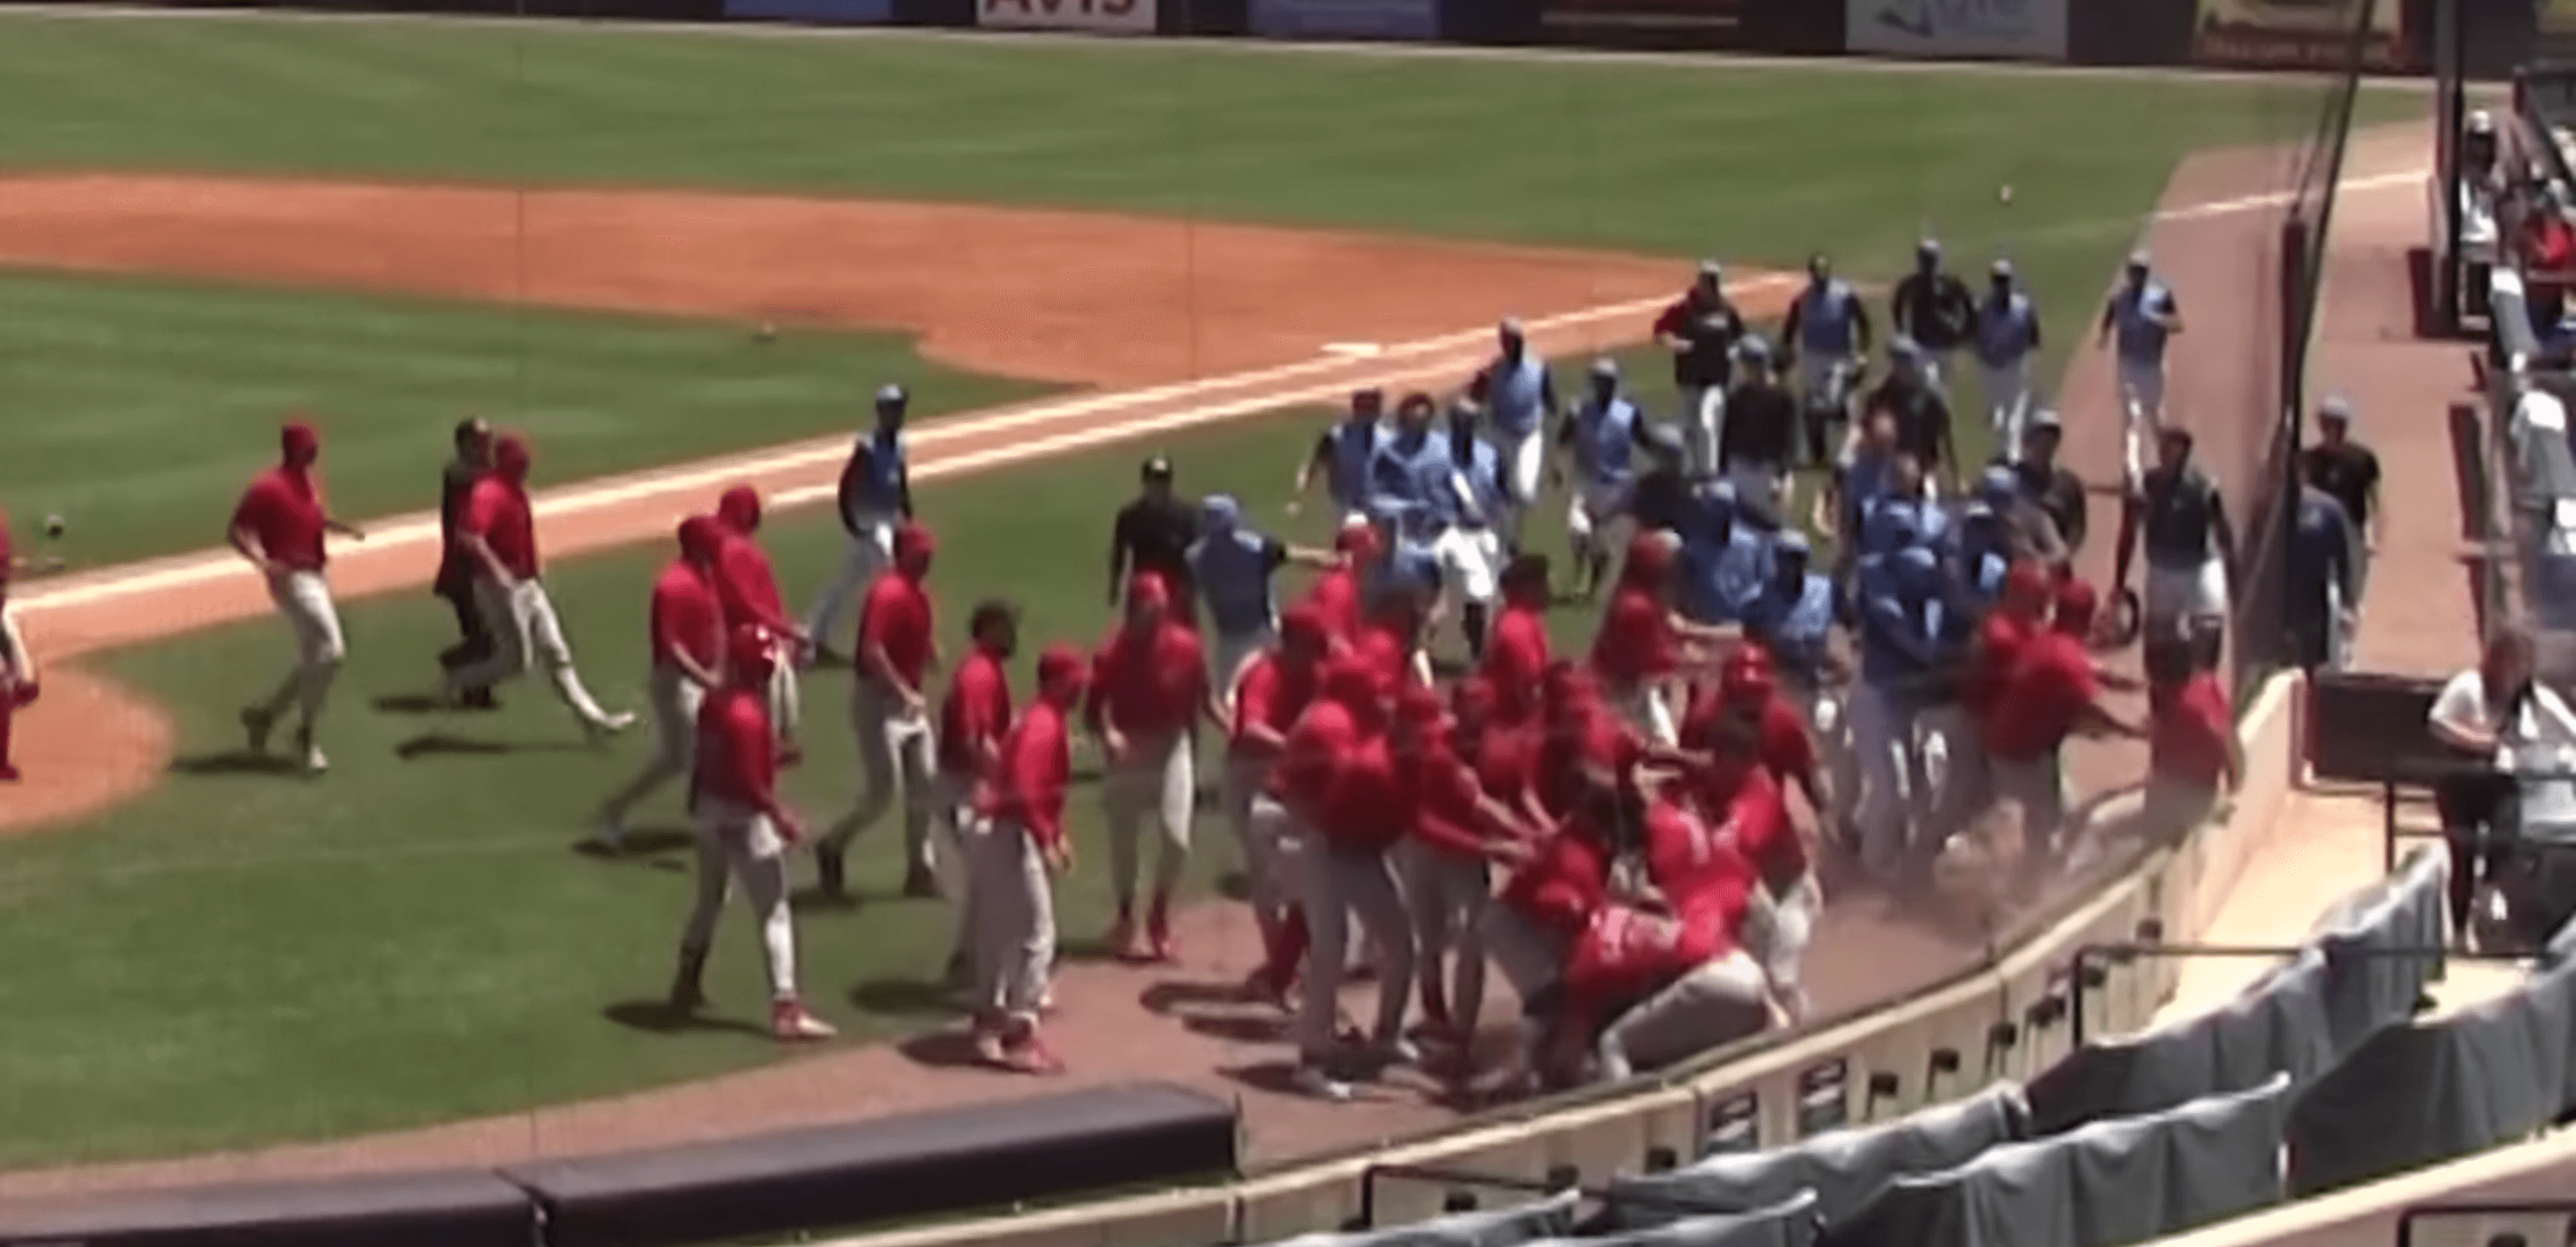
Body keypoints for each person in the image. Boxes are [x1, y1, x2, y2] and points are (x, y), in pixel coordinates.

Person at [669, 622, 836, 1044]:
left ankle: (686, 982)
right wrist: (781, 815)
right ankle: (786, 1008)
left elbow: (721, 761)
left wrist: (776, 758)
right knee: (774, 909)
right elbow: (749, 782)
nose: (766, 674)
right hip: (745, 818)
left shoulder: (714, 702)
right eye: (761, 666)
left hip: (708, 810)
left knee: (709, 899)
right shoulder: (749, 712)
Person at [1278, 657, 1419, 1101]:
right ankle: (1311, 1059)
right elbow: (1289, 789)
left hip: (1361, 848)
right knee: (1331, 949)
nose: (1383, 699)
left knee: (1400, 942)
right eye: (1373, 690)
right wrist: (1314, 830)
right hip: (1323, 848)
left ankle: (1386, 1035)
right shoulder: (1328, 726)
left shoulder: (1370, 726)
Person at [440, 434, 634, 741]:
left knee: (557, 651)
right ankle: (455, 681)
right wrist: (499, 573)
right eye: (521, 464)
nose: (526, 469)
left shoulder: (515, 489)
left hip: (527, 584)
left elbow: (518, 534)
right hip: (499, 589)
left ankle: (594, 719)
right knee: (516, 662)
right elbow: (470, 536)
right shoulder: (489, 492)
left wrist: (533, 564)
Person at [1394, 682, 1539, 1062]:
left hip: (1462, 857)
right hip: (1424, 847)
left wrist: (1534, 836)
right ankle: (1435, 1014)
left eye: (1482, 713)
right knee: (1424, 938)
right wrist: (1496, 846)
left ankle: (1460, 1033)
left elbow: (1503, 801)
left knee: (1471, 935)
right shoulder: (1435, 751)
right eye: (1467, 712)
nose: (1475, 722)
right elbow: (1426, 822)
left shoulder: (1499, 747)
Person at [967, 642, 1086, 1075]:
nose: (1080, 689)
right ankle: (1019, 1035)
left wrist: (1056, 833)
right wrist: (1045, 839)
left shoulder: (1041, 718)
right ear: (1056, 681)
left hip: (999, 828)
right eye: (1075, 681)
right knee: (1038, 934)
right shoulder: (1043, 723)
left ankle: (987, 1021)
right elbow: (1022, 784)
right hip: (1009, 831)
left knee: (998, 933)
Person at [1980, 581, 2143, 890]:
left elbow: (2091, 668)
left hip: (2015, 748)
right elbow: (2093, 717)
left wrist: (2130, 685)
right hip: (2020, 758)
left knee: (2063, 815)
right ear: (2087, 617)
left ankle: (2028, 878)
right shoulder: (2066, 661)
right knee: (2048, 827)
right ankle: (2030, 892)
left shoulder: (2049, 639)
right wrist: (2136, 733)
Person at [1088, 570, 1211, 963]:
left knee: (1177, 837)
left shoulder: (1188, 646)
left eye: (1160, 607)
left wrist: (1230, 728)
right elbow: (1093, 710)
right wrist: (1108, 735)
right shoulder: (1112, 651)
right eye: (1148, 608)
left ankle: (1159, 912)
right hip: (1130, 745)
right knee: (1124, 842)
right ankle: (1126, 913)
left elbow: (1203, 700)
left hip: (1173, 743)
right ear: (1134, 609)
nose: (1155, 615)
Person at [232, 420, 367, 774]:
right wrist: (263, 563)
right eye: (310, 447)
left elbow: (313, 518)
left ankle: (265, 716)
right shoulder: (266, 487)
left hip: (317, 574)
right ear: (294, 449)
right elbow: (237, 532)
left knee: (315, 658)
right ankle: (303, 736)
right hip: (292, 579)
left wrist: (341, 527)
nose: (316, 452)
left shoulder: (311, 482)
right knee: (332, 651)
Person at [818, 522, 943, 903]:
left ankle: (920, 869)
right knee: (882, 795)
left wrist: (931, 650)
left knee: (926, 784)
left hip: (908, 703)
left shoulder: (917, 593)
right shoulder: (886, 593)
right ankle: (832, 844)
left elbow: (916, 630)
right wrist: (902, 691)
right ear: (902, 554)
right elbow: (872, 651)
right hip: (879, 703)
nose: (928, 560)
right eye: (921, 554)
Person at [2427, 626, 2576, 940]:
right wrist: (2480, 742)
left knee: (2506, 840)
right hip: (2462, 783)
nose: (2515, 672)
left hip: (2502, 785)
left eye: (2522, 664)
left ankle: (2492, 895)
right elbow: (2438, 722)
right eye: (2510, 662)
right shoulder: (2468, 686)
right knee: (2462, 857)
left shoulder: (2536, 700)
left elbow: (2571, 730)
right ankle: (2458, 929)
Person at [593, 517, 728, 851]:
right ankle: (709, 826)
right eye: (714, 540)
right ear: (696, 544)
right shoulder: (672, 585)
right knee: (704, 755)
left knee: (675, 761)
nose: (720, 546)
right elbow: (672, 645)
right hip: (678, 683)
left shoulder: (705, 575)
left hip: (702, 677)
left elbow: (714, 625)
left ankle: (617, 806)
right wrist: (705, 677)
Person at [1228, 607, 1331, 1002]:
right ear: (1291, 645)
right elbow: (1250, 730)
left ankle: (1283, 970)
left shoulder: (1317, 672)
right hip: (1249, 780)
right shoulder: (1264, 675)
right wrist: (1297, 747)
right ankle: (1282, 971)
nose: (1319, 658)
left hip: (1291, 784)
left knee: (1300, 882)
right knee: (1268, 884)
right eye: (1312, 649)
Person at [1741, 531, 1854, 836]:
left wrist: (1843, 661)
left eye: (1799, 559)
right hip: (1779, 691)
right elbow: (1749, 650)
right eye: (1786, 559)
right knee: (1774, 761)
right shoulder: (1756, 600)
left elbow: (1851, 629)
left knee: (1826, 751)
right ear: (1775, 561)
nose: (1792, 566)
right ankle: (1773, 823)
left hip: (1820, 685)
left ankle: (1836, 821)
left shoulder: (1826, 591)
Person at [934, 599, 1021, 982]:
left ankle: (968, 959)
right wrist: (999, 781)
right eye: (1006, 626)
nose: (1013, 634)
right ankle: (978, 961)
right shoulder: (977, 675)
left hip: (970, 784)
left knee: (987, 878)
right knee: (993, 876)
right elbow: (973, 741)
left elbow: (999, 729)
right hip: (964, 788)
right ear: (988, 630)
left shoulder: (989, 670)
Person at [1851, 544, 1946, 879]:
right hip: (1877, 707)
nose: (1932, 583)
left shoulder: (1931, 607)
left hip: (1912, 708)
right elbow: (1923, 655)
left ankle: (1911, 852)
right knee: (1893, 790)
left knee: (1933, 779)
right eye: (1924, 578)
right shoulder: (1888, 611)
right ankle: (1874, 865)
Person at [1190, 494, 1331, 713]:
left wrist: (1333, 561)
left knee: (1261, 696)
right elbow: (1299, 556)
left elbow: (1300, 556)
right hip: (1235, 639)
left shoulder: (1201, 557)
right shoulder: (1250, 549)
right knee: (1235, 702)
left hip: (1260, 635)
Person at [804, 385, 915, 665]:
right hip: (867, 522)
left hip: (887, 519)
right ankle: (888, 643)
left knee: (846, 580)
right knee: (890, 577)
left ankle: (813, 635)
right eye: (893, 409)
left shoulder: (901, 442)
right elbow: (847, 484)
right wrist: (850, 520)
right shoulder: (867, 446)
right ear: (882, 412)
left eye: (901, 408)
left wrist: (906, 511)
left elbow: (900, 477)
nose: (899, 414)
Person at [1593, 531, 1729, 749]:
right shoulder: (1637, 607)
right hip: (1616, 697)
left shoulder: (1643, 597)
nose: (1669, 571)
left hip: (1631, 690)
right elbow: (1659, 661)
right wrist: (1714, 662)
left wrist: (1726, 639)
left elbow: (1678, 632)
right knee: (1663, 749)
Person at [712, 486, 812, 762]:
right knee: (760, 709)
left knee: (773, 709)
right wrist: (787, 631)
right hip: (751, 640)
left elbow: (765, 597)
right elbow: (745, 605)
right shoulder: (731, 549)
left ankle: (767, 751)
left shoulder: (738, 545)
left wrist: (785, 632)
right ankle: (757, 759)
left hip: (766, 636)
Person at [2114, 427, 2237, 643]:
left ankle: (2204, 673)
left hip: (2199, 567)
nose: (2169, 456)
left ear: (2186, 455)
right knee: (2159, 642)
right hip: (2162, 567)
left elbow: (2223, 533)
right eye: (2166, 449)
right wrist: (2119, 581)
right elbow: (2128, 534)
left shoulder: (2204, 488)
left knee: (2206, 632)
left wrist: (2234, 579)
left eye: (2176, 451)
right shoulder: (2145, 487)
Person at [1556, 359, 1654, 601]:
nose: (1604, 387)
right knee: (1578, 529)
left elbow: (1647, 442)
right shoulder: (1579, 411)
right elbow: (1562, 440)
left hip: (1616, 488)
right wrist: (1557, 467)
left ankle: (1591, 589)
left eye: (1608, 382)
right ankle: (1580, 570)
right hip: (1586, 481)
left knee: (1601, 546)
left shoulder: (1628, 413)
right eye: (1599, 382)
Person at [1467, 318, 1562, 553]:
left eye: (1516, 340)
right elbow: (1474, 398)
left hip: (1529, 436)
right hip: (1500, 434)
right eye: (1508, 341)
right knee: (1493, 489)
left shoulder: (1538, 366)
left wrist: (1554, 452)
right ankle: (1507, 540)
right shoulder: (1494, 370)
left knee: (1525, 491)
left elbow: (1551, 402)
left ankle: (1511, 536)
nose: (1513, 345)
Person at [2097, 250, 2184, 486]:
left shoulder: (2161, 295)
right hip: (2128, 365)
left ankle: (2167, 463)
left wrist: (2157, 319)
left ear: (2147, 273)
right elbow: (2109, 317)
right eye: (2134, 271)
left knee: (2155, 417)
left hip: (2154, 365)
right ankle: (2132, 470)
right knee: (2132, 417)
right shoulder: (2119, 298)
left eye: (2141, 271)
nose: (2137, 276)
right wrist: (2104, 336)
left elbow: (2178, 324)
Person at [1653, 259, 1747, 477]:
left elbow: (1740, 337)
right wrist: (1675, 344)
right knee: (1688, 427)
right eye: (1707, 281)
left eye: (1714, 282)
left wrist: (1733, 352)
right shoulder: (1685, 309)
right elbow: (1660, 331)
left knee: (1706, 423)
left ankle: (1708, 472)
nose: (1710, 287)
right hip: (1689, 378)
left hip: (1716, 381)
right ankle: (1688, 471)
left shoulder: (1726, 309)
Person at [1782, 253, 1875, 468]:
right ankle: (1819, 455)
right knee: (1813, 407)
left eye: (1822, 273)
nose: (1819, 278)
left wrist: (1862, 351)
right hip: (1813, 357)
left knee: (1841, 404)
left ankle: (1853, 452)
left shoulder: (1844, 294)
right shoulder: (1804, 298)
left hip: (1840, 356)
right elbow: (1791, 326)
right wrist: (1786, 351)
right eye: (1816, 274)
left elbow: (1862, 321)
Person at [1436, 402, 1511, 659]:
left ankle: (1477, 653)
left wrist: (1505, 534)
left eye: (1468, 423)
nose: (1463, 428)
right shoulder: (1437, 453)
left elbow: (1503, 496)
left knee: (1479, 599)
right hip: (1445, 530)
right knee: (1423, 590)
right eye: (1459, 422)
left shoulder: (1490, 455)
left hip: (1480, 532)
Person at [435, 417, 499, 708]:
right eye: (482, 440)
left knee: (484, 629)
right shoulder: (459, 474)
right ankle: (455, 665)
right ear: (465, 444)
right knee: (481, 630)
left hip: (478, 566)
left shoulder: (482, 472)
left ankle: (477, 692)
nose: (488, 445)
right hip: (462, 567)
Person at [2300, 394, 2380, 599]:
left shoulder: (2362, 459)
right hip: (2319, 531)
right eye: (2326, 423)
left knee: (2353, 583)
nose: (2330, 428)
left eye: (2335, 423)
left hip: (2351, 529)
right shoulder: (2308, 460)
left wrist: (2372, 535)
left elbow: (2373, 499)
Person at [1861, 338, 1958, 494]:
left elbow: (1945, 440)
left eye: (1905, 362)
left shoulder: (1932, 397)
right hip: (1888, 464)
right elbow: (1866, 433)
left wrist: (1954, 478)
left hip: (1923, 466)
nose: (1900, 368)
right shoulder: (1881, 395)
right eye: (1897, 361)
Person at [1106, 456, 1199, 617]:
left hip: (1177, 587)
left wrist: (1193, 589)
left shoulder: (1185, 514)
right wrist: (1114, 587)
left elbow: (1195, 554)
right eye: (1153, 481)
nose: (1158, 486)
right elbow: (1119, 554)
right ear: (1145, 483)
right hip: (1143, 589)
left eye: (1162, 481)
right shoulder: (1130, 516)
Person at [1716, 337, 1799, 510]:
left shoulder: (1780, 401)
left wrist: (1782, 476)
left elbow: (1788, 444)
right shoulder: (1738, 397)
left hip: (1759, 473)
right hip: (1748, 470)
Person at [1973, 260, 2043, 460]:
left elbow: (2034, 335)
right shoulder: (1983, 310)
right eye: (1998, 281)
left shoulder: (2022, 306)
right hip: (1991, 368)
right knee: (1999, 416)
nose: (2002, 285)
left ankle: (2011, 456)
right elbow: (1975, 339)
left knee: (2013, 414)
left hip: (2015, 366)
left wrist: (2028, 359)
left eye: (2004, 281)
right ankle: (2007, 451)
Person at [2288, 483, 2360, 673]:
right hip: (2286, 596)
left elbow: (2343, 558)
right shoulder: (2275, 511)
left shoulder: (2327, 508)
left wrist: (2347, 600)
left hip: (2314, 596)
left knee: (2315, 658)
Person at [1890, 239, 1976, 394]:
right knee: (1929, 386)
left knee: (1939, 387)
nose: (1928, 264)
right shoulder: (1913, 284)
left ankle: (1938, 414)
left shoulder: (1950, 284)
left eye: (1930, 259)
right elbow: (1898, 306)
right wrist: (1902, 332)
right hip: (1921, 345)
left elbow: (1969, 309)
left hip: (1944, 345)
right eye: (1926, 259)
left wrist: (1964, 335)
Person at [1480, 554, 1555, 726]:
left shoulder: (1523, 618)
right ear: (1529, 588)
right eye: (1545, 582)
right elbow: (1532, 689)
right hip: (1513, 727)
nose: (1551, 588)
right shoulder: (1517, 627)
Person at [1295, 389, 1387, 526]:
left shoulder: (1388, 436)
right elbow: (1315, 462)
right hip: (1348, 506)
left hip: (1380, 504)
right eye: (1372, 409)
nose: (1377, 413)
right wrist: (1302, 490)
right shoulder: (1335, 436)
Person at [2005, 411, 2089, 559]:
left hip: (2055, 565)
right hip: (2016, 564)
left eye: (2052, 438)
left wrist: (2059, 558)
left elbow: (2076, 530)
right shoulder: (2009, 479)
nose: (2046, 443)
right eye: (2041, 437)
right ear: (2028, 441)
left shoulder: (2067, 485)